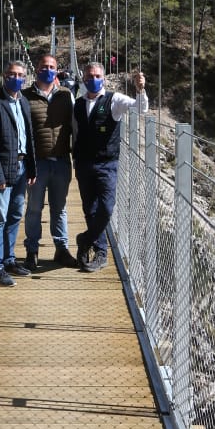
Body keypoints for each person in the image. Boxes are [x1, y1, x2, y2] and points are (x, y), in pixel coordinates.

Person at [72, 60, 148, 272]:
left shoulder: (114, 99)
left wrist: (141, 90)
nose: (93, 80)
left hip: (107, 164)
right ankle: (100, 252)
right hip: (84, 164)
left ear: (103, 78)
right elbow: (75, 133)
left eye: (97, 76)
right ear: (83, 79)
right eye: (89, 77)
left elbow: (141, 109)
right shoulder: (77, 104)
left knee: (106, 207)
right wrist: (74, 159)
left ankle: (86, 239)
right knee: (90, 209)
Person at [0, 58, 37, 286]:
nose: (16, 78)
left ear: (25, 78)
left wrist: (32, 167)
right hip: (2, 170)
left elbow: (28, 139)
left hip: (21, 168)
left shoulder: (23, 102)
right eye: (12, 74)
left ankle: (9, 259)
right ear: (5, 76)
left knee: (14, 216)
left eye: (20, 75)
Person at [22, 52, 78, 272]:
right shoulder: (25, 96)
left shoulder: (66, 95)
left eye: (52, 67)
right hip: (37, 163)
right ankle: (31, 251)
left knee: (60, 208)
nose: (48, 70)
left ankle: (61, 248)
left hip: (62, 161)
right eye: (44, 66)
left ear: (57, 70)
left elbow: (76, 125)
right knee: (34, 208)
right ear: (37, 69)